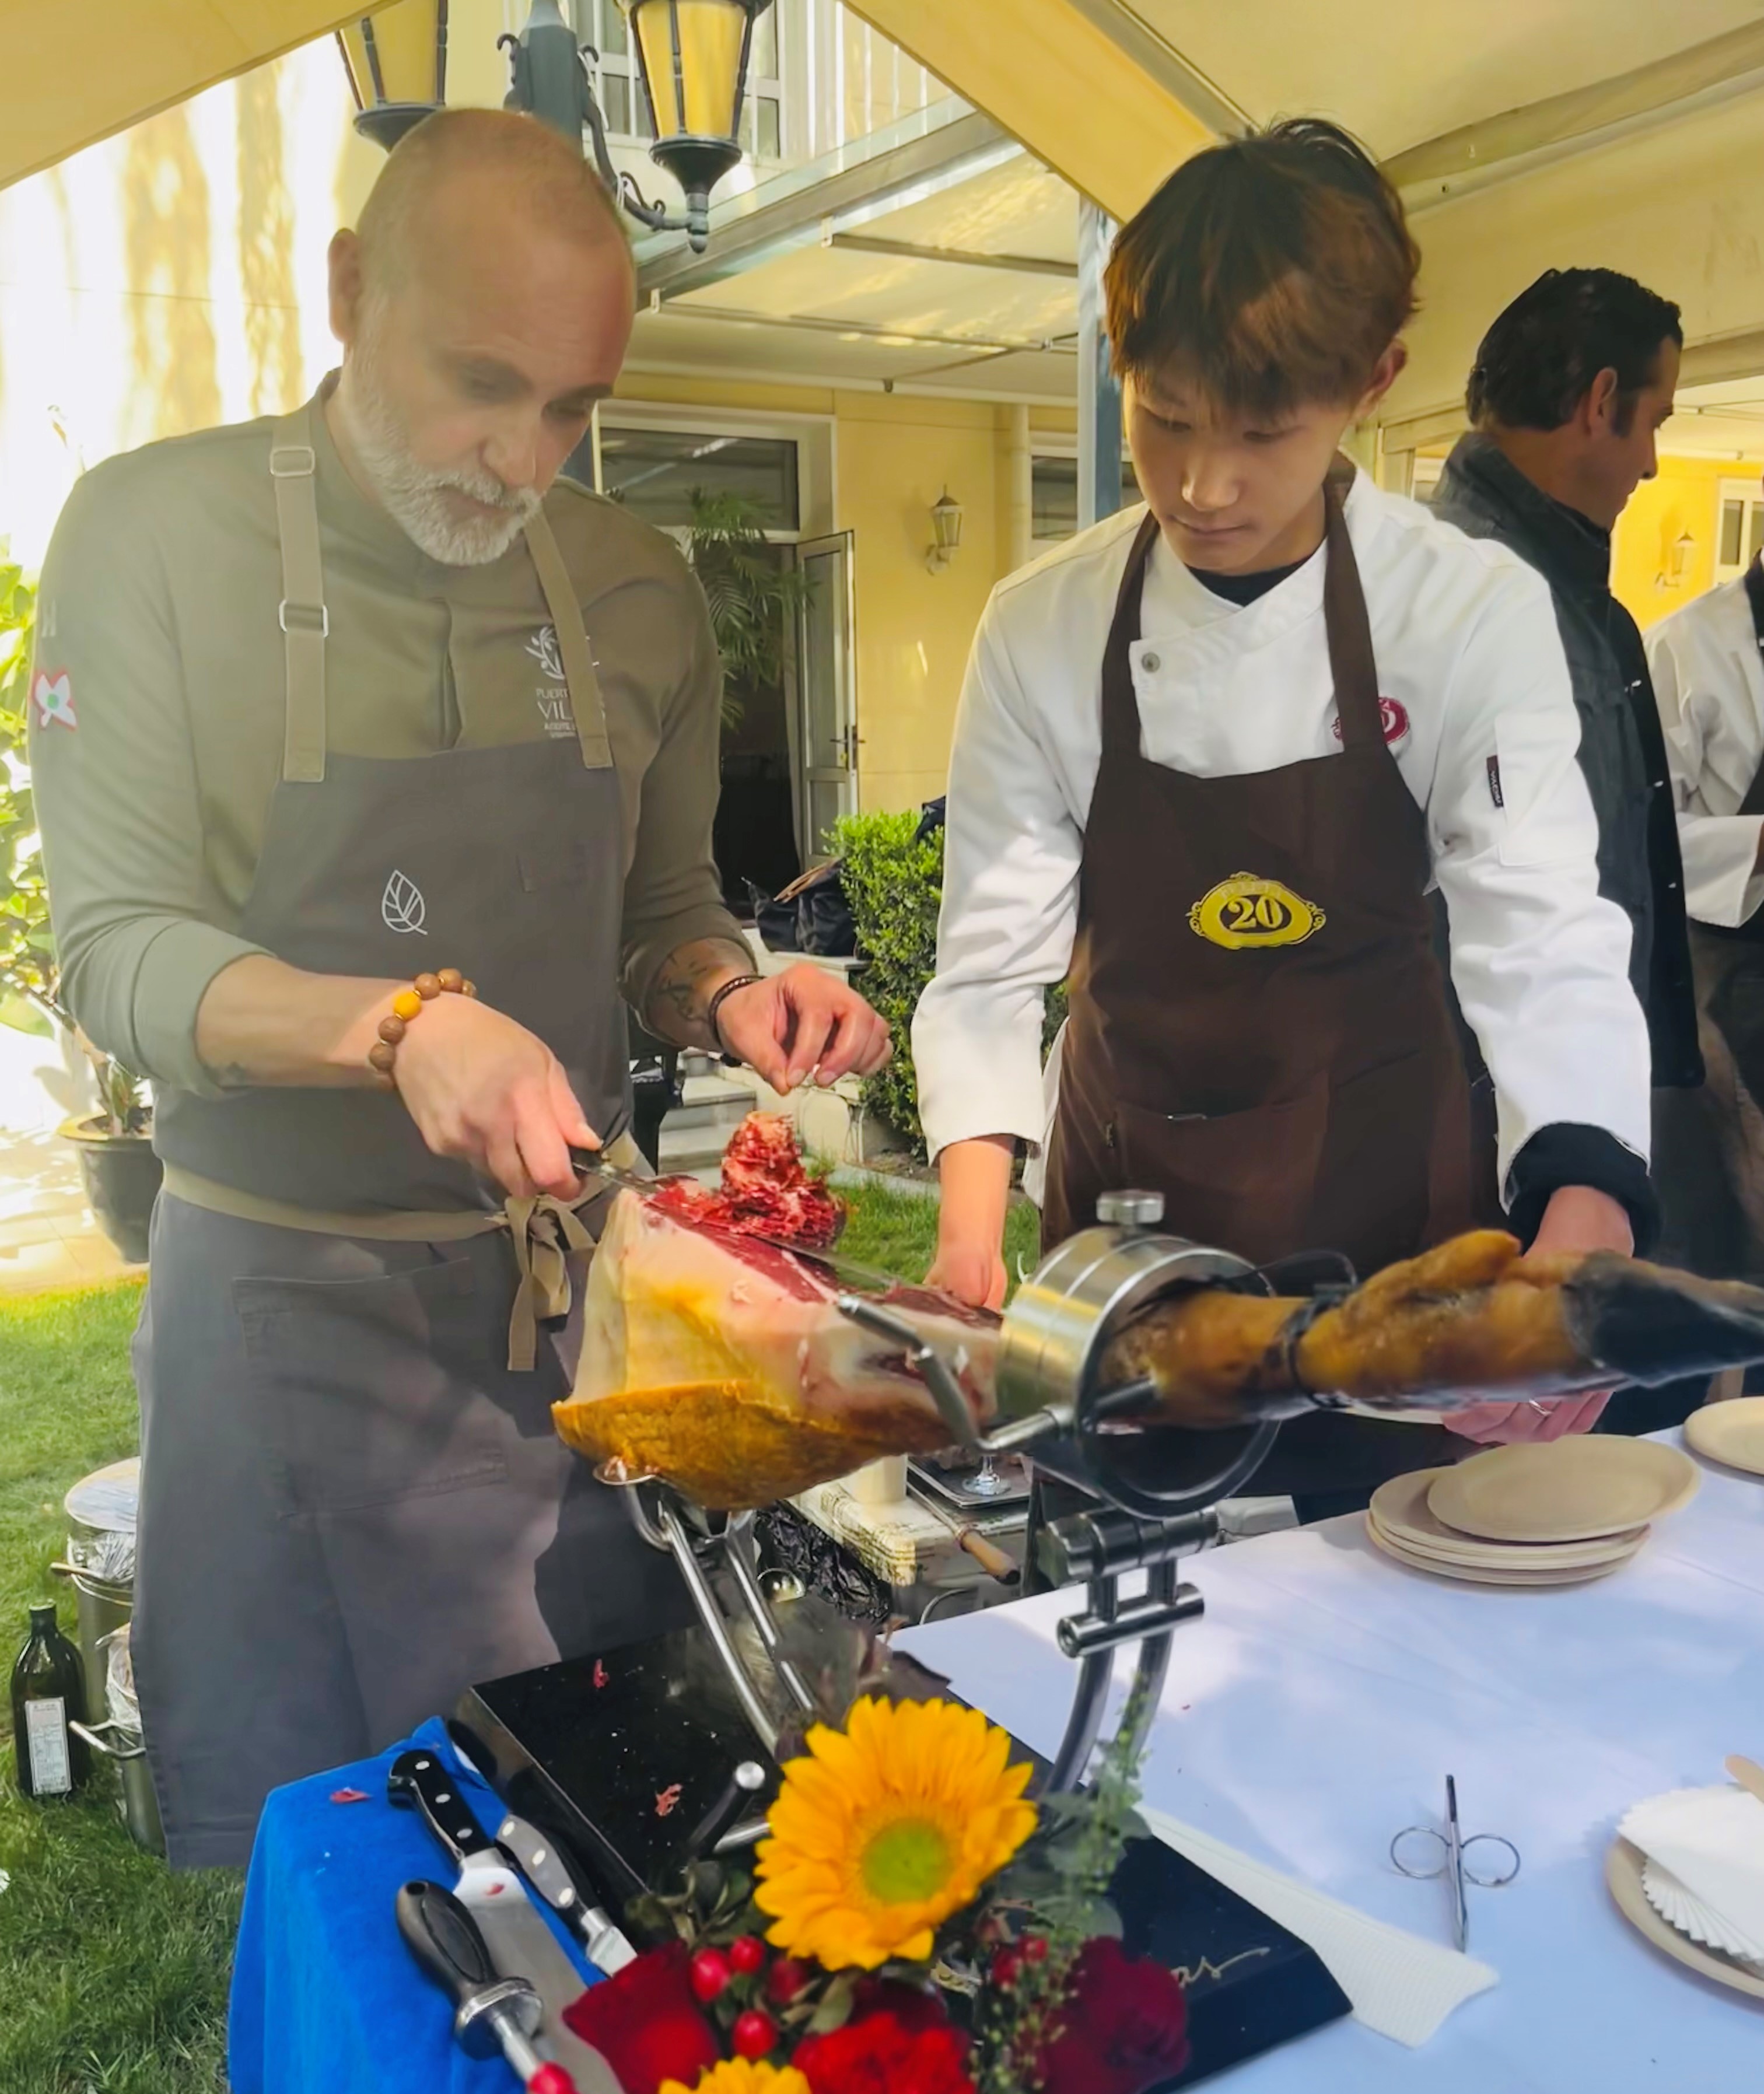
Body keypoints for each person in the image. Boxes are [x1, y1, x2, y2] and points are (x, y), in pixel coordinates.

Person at [31, 109, 888, 1868]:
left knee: (597, 1836)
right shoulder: (152, 540)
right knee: (339, 1870)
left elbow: (662, 911)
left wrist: (730, 992)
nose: (521, 457)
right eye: (479, 382)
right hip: (278, 1320)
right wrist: (401, 1026)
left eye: (571, 407)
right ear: (351, 293)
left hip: (568, 1335)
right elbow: (115, 943)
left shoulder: (640, 593)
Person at [912, 120, 1653, 1503]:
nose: (1204, 485)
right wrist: (968, 1242)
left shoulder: (1465, 613)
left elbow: (1540, 929)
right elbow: (991, 960)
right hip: (1123, 1272)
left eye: (1262, 434)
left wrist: (1584, 1226)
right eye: (1163, 418)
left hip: (1397, 1251)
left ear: (1371, 383)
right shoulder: (1043, 629)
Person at [1430, 268, 1701, 1099]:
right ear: (1600, 401)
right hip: (1511, 1115)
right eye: (1653, 421)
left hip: (1561, 1098)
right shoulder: (1468, 598)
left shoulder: (1570, 602)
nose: (1653, 463)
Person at [1647, 472, 1764, 1280]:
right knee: (1727, 1233)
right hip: (1726, 984)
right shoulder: (1686, 647)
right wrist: (1758, 848)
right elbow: (1634, 836)